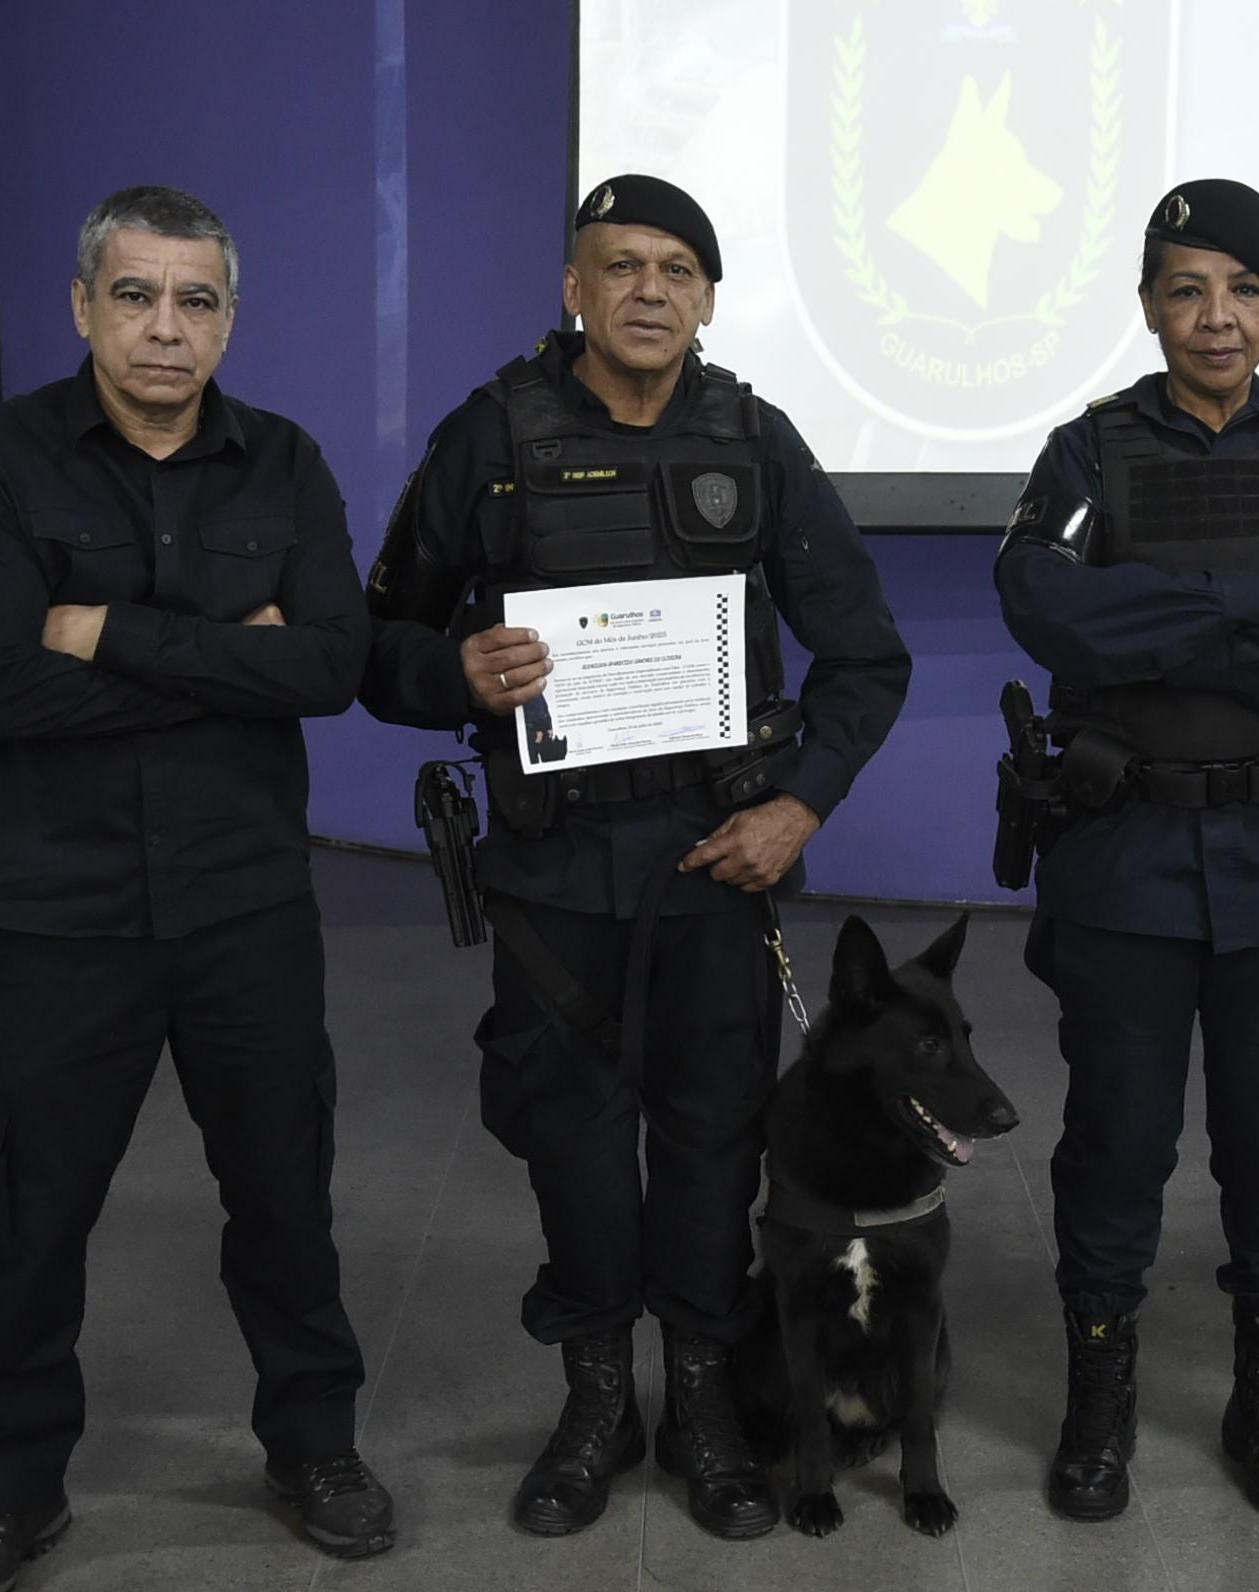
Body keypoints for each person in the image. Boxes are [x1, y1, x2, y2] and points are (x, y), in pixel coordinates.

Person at [361, 174, 910, 1541]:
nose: (649, 290)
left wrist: (802, 808)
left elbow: (866, 656)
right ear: (574, 289)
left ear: (708, 299)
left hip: (718, 869)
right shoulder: (489, 439)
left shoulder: (756, 441)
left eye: (676, 269)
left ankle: (702, 1406)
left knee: (715, 1150)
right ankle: (599, 1402)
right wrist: (455, 672)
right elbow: (377, 646)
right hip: (554, 881)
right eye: (620, 266)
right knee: (577, 1152)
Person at [0, 185, 392, 1591]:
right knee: (32, 1214)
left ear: (229, 321)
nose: (165, 329)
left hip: (245, 906)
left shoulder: (286, 461)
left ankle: (315, 1447)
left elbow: (331, 666)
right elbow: (0, 686)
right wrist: (231, 661)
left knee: (285, 1199)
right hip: (58, 911)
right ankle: (7, 1494)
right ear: (84, 308)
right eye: (135, 296)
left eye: (196, 302)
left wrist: (104, 631)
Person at [996, 179, 1259, 1524]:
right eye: (1187, 289)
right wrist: (1255, 602)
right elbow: (1046, 607)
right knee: (1114, 1148)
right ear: (1148, 306)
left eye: (1244, 289)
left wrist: (1168, 633)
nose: (1216, 316)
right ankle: (1100, 1403)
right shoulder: (1088, 456)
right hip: (1125, 861)